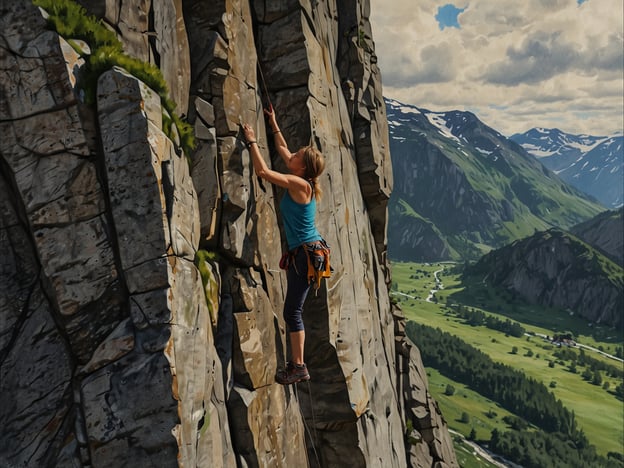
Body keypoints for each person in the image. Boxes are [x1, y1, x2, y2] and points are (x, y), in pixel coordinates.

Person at [242, 106, 325, 385]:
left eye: (299, 155)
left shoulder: (298, 184)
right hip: (305, 252)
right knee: (293, 309)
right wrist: (273, 122)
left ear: (303, 167)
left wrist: (252, 141)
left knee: (292, 311)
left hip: (305, 254)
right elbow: (284, 150)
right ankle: (297, 365)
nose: (294, 154)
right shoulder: (303, 180)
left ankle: (299, 366)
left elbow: (263, 172)